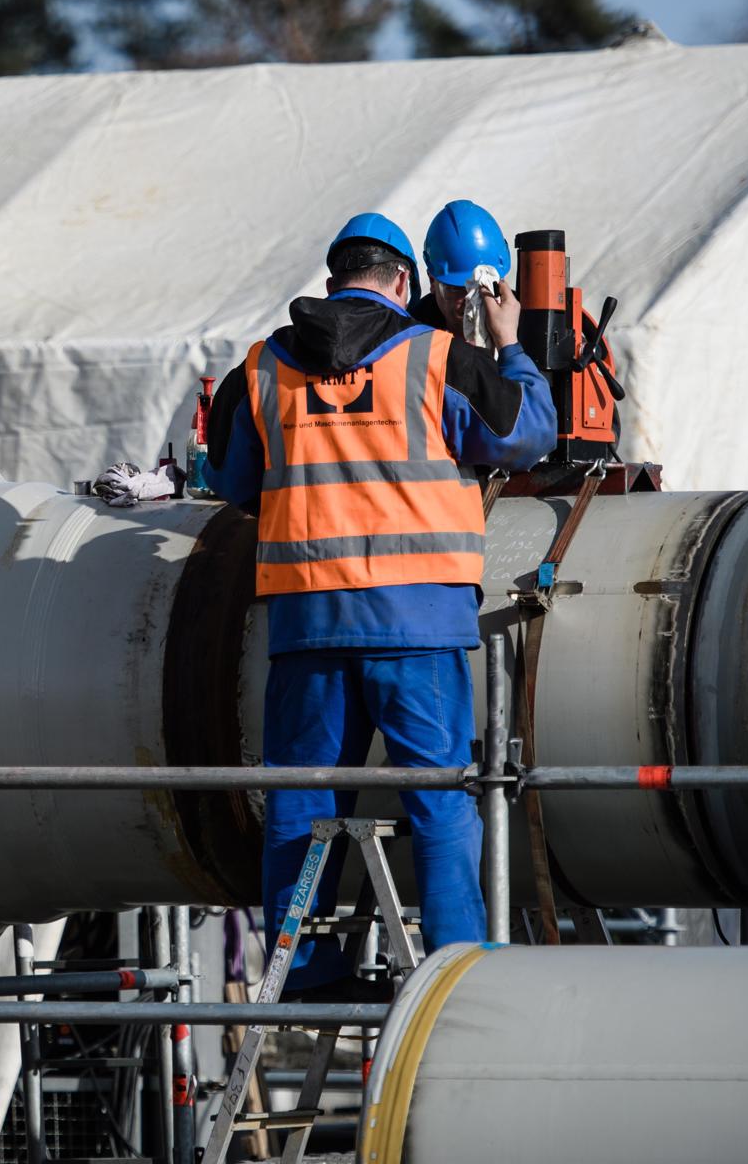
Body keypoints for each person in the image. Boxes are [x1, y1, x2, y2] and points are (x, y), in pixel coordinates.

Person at [203, 212, 556, 999]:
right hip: (417, 624)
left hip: (306, 626)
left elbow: (229, 483)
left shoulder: (259, 370)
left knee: (302, 800)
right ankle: (452, 976)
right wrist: (511, 343)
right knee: (436, 801)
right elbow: (532, 433)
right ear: (405, 283)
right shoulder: (441, 358)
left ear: (334, 280)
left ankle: (301, 972)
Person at [413, 199, 512, 341]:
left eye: (483, 285)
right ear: (432, 281)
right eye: (458, 288)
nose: (471, 297)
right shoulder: (413, 336)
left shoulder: (529, 325)